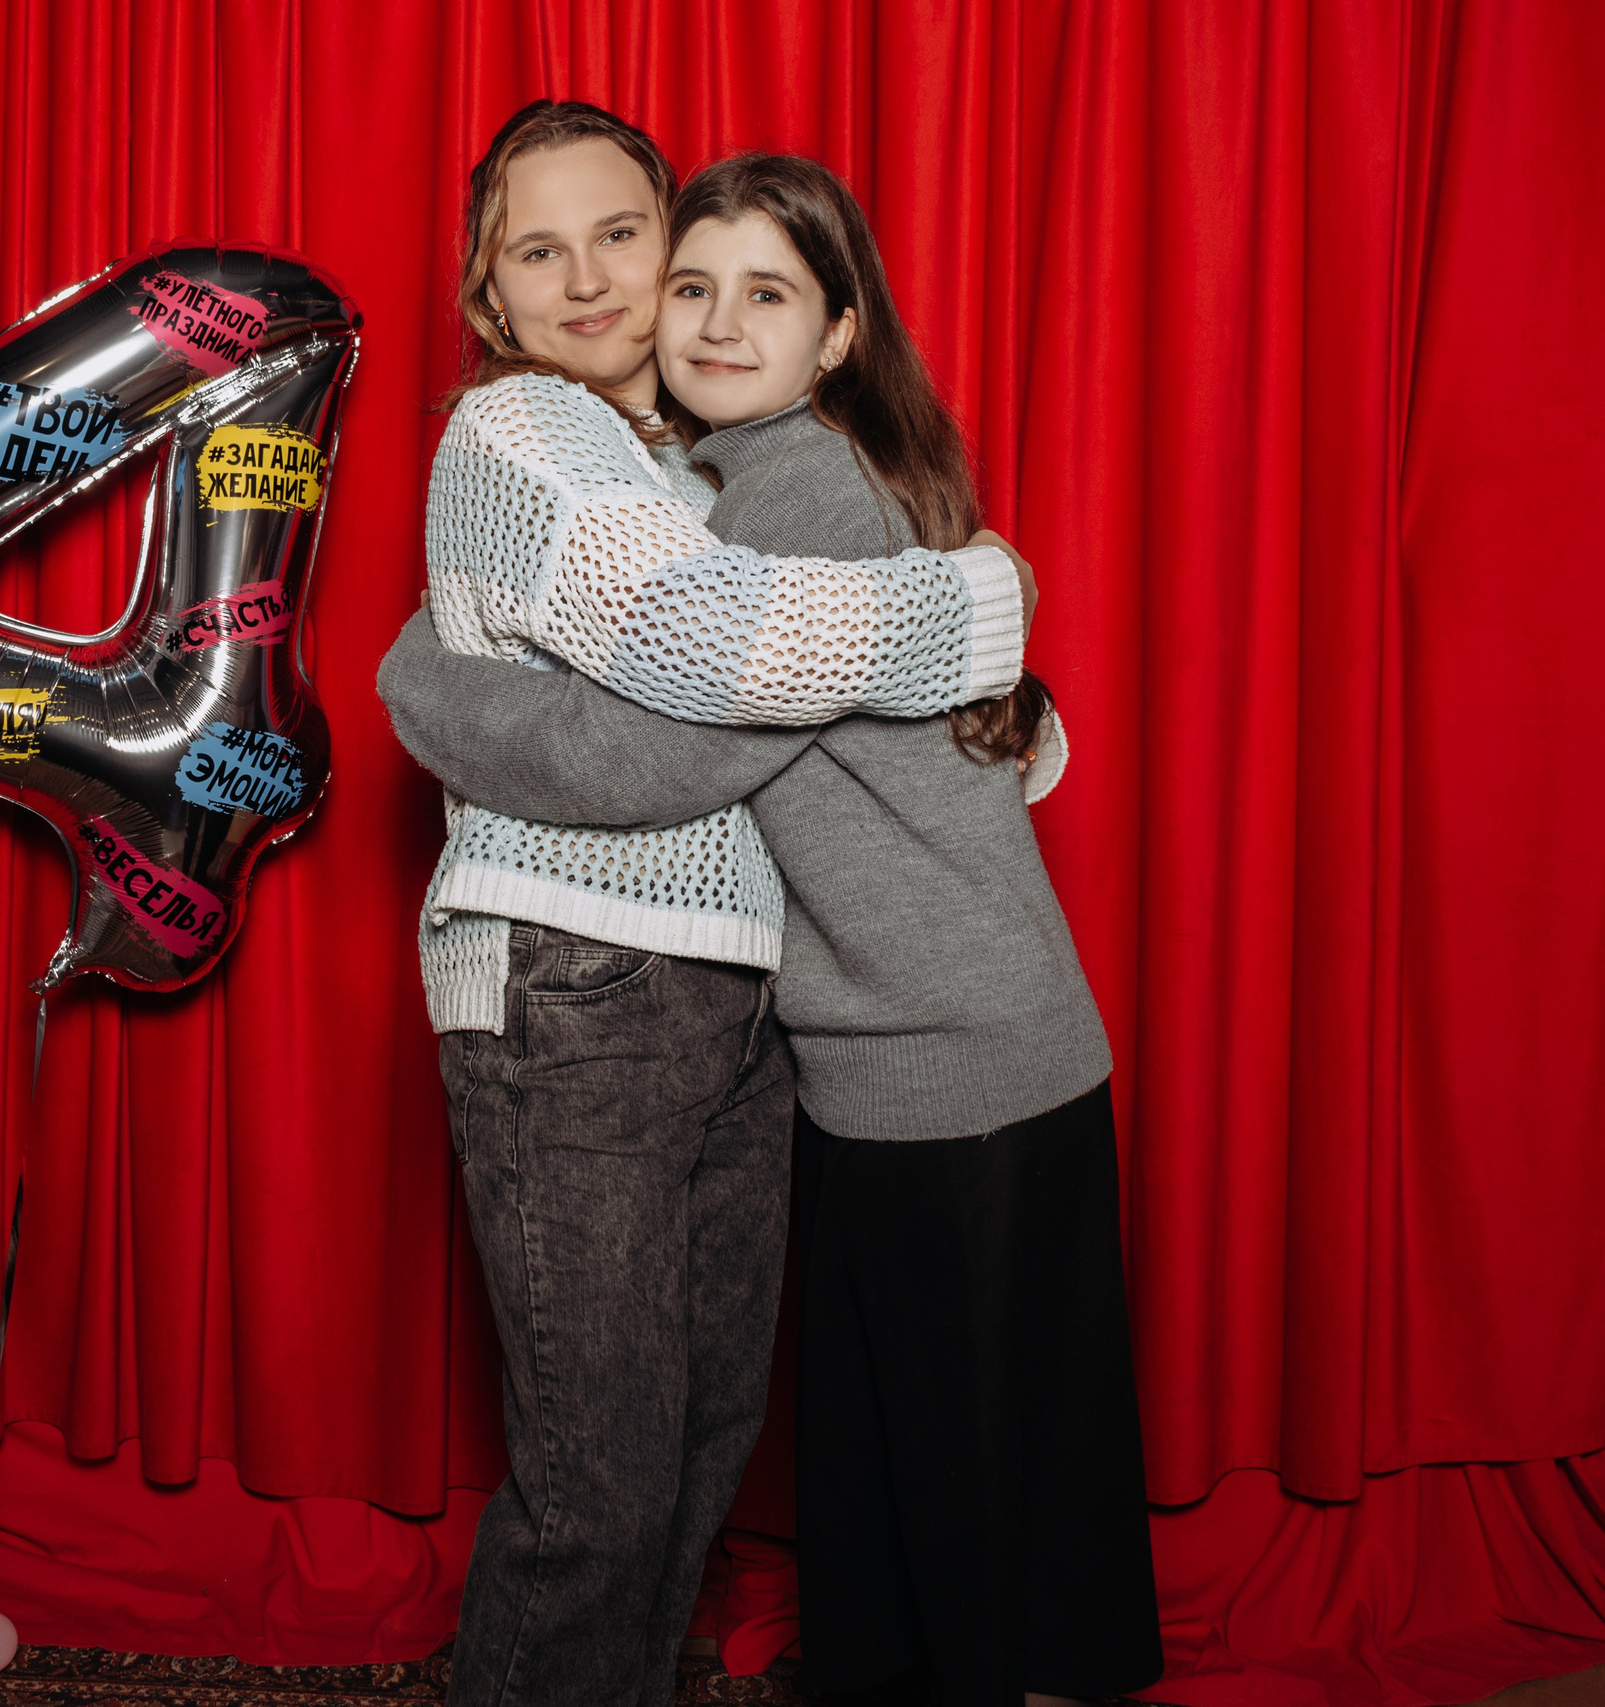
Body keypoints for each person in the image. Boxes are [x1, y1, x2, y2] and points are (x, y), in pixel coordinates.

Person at [382, 152, 1161, 1707]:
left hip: (922, 1047)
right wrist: (980, 610)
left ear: (839, 333)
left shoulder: (766, 482)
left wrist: (425, 686)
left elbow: (707, 713)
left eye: (630, 242)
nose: (691, 314)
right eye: (694, 285)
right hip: (848, 1036)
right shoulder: (645, 459)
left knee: (880, 1474)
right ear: (493, 294)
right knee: (775, 1470)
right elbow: (766, 683)